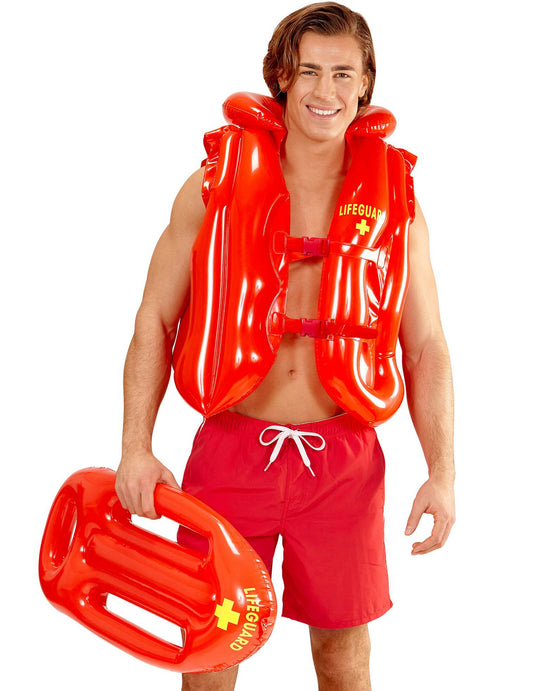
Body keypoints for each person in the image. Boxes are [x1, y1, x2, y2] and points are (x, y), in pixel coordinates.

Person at [115, 3, 456, 689]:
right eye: (308, 72)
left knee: (343, 656)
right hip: (230, 452)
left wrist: (441, 473)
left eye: (342, 73)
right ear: (281, 77)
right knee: (211, 652)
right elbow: (154, 317)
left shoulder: (396, 202)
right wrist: (135, 447)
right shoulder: (213, 186)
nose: (325, 91)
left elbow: (425, 345)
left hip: (343, 465)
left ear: (365, 83)